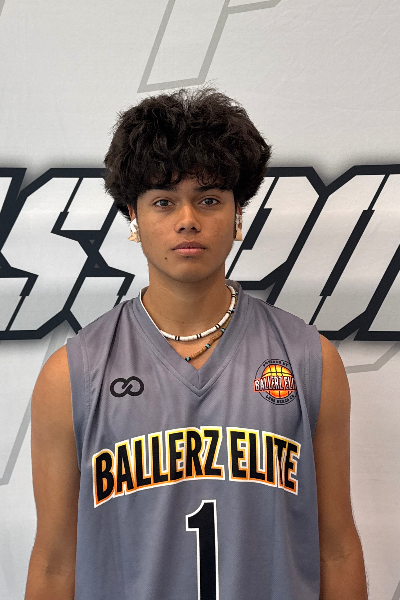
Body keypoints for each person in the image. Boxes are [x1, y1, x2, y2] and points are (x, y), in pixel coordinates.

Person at [25, 87, 368, 599]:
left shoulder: (308, 359)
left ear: (237, 214)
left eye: (209, 199)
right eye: (163, 201)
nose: (188, 219)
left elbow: (336, 549)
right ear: (133, 217)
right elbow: (55, 563)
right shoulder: (72, 375)